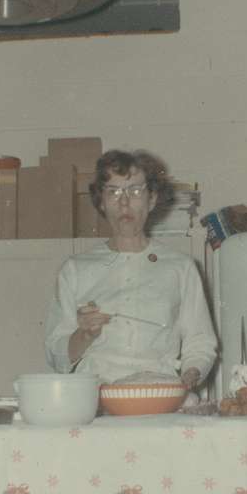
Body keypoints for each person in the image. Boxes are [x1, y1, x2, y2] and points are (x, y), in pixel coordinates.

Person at [45, 149, 217, 394]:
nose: (124, 202)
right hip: (94, 396)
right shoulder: (75, 269)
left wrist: (190, 374)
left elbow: (200, 341)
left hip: (160, 393)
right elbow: (55, 353)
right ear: (101, 202)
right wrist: (84, 334)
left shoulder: (180, 267)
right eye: (113, 192)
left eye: (135, 191)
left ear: (152, 199)